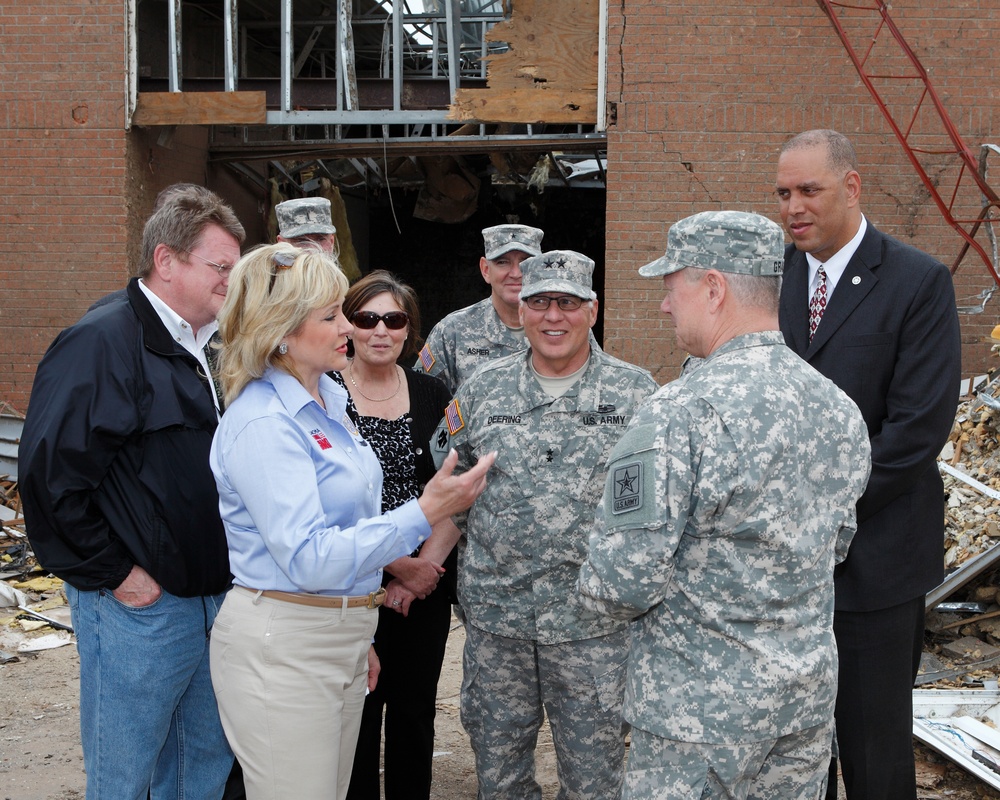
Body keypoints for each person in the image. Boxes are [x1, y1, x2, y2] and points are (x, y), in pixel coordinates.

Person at [578, 210, 872, 798]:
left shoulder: (677, 412)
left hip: (696, 721)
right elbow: (835, 546)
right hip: (801, 710)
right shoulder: (837, 407)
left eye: (671, 287)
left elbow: (621, 582)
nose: (665, 306)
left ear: (712, 288)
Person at [207, 243, 495, 800]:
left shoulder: (329, 402)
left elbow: (346, 526)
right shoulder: (265, 423)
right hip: (286, 643)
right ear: (281, 331)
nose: (350, 327)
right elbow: (309, 557)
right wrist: (424, 511)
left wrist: (352, 627)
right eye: (333, 315)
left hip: (335, 630)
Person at [18, 184, 246, 799]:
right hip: (140, 608)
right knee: (127, 774)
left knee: (202, 764)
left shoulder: (210, 349)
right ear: (165, 261)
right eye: (220, 267)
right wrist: (115, 573)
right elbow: (48, 479)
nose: (231, 281)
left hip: (210, 599)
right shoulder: (101, 342)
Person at [775, 129, 962, 799]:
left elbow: (916, 431)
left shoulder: (918, 280)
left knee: (875, 753)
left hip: (875, 565)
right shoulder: (771, 277)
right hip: (781, 571)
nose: (794, 206)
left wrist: (818, 512)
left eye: (809, 190)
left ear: (851, 187)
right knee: (796, 754)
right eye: (784, 193)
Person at [431, 250, 657, 800]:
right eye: (539, 302)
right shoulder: (482, 391)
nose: (553, 316)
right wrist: (425, 565)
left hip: (593, 627)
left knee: (594, 776)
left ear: (593, 310)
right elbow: (451, 492)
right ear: (521, 307)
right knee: (500, 771)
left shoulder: (637, 396)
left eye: (568, 302)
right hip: (498, 622)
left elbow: (651, 514)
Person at [331, 270, 458, 800]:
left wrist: (421, 570)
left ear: (410, 330)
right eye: (367, 318)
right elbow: (325, 505)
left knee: (414, 716)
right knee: (355, 718)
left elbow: (453, 489)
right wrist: (391, 566)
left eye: (394, 319)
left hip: (424, 586)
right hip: (351, 583)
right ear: (349, 326)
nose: (380, 330)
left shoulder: (435, 393)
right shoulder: (324, 394)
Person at [415, 223, 544, 394]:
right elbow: (422, 399)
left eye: (525, 262)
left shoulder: (564, 328)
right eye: (502, 262)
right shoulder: (452, 331)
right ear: (485, 270)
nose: (515, 273)